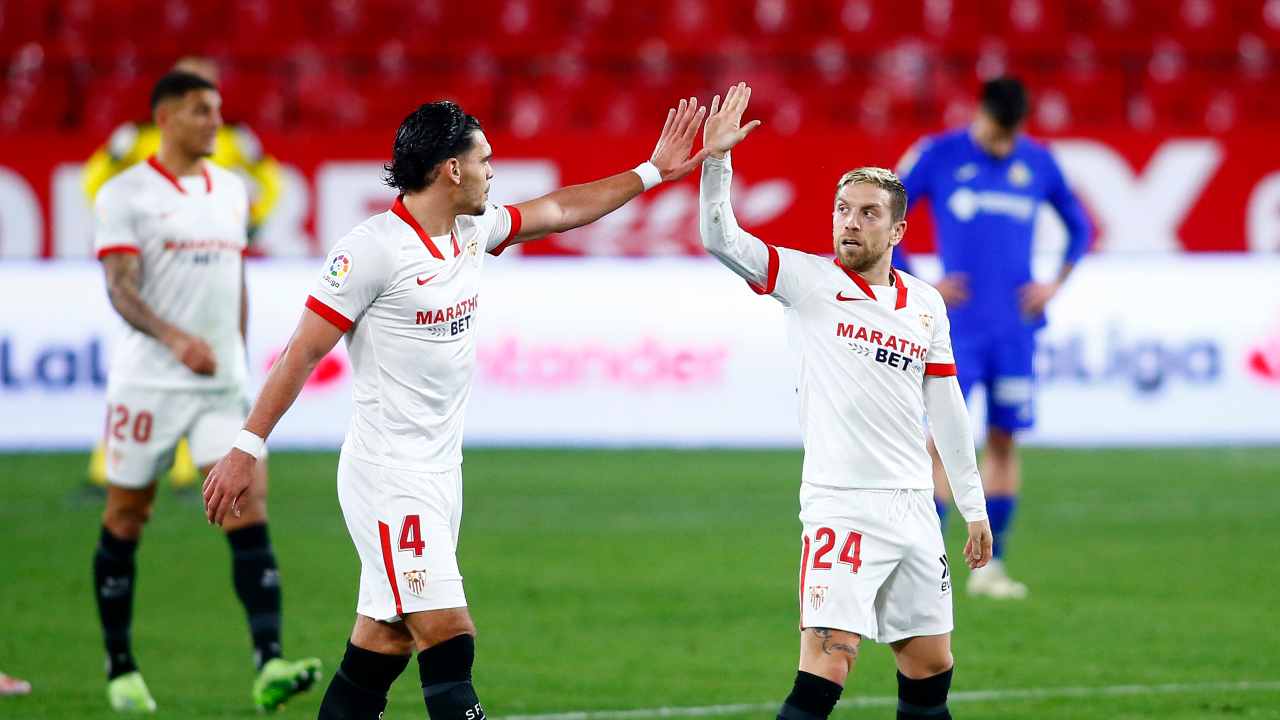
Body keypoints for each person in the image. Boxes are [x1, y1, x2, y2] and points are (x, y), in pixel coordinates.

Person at [201, 96, 708, 719]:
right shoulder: (372, 250)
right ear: (452, 169)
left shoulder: (472, 230)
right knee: (448, 635)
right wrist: (246, 447)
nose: (493, 171)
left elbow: (557, 210)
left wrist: (653, 170)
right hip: (389, 476)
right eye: (484, 158)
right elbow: (301, 352)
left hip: (441, 476)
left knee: (381, 644)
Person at [699, 83, 992, 720]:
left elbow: (946, 409)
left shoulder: (924, 304)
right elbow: (723, 239)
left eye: (866, 213)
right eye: (842, 209)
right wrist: (717, 161)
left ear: (898, 228)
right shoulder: (810, 283)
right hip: (842, 507)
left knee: (930, 663)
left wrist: (972, 507)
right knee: (828, 663)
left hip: (915, 508)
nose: (850, 222)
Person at [92, 70, 319, 714]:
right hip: (149, 384)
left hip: (222, 386)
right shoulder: (125, 193)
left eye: (218, 109)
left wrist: (238, 359)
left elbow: (234, 279)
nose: (215, 122)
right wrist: (175, 339)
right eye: (200, 111)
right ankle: (121, 668)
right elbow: (119, 287)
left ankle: (268, 662)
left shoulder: (232, 190)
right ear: (164, 118)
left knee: (249, 515)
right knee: (126, 518)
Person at [896, 76, 1092, 599]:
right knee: (939, 444)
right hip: (954, 331)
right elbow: (889, 213)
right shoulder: (939, 155)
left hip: (1014, 330)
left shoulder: (1039, 163)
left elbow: (1081, 227)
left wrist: (1055, 283)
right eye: (995, 132)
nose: (1002, 145)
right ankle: (925, 568)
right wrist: (917, 282)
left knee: (1004, 440)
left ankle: (991, 567)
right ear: (978, 112)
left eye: (1010, 136)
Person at [84, 55, 284, 492]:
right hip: (156, 279)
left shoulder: (231, 140)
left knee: (201, 374)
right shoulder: (139, 140)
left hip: (206, 272)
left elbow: (271, 179)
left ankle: (181, 471)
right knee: (143, 379)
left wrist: (255, 219)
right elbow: (97, 180)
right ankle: (110, 470)